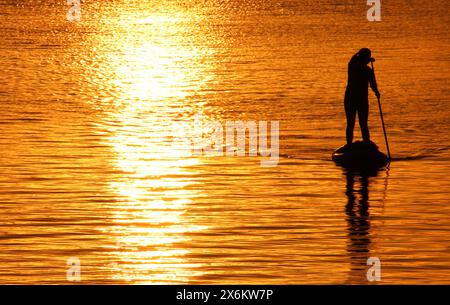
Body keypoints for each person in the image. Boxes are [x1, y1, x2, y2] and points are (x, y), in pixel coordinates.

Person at [344, 48, 380, 146]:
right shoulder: (356, 67)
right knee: (353, 123)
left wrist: (376, 92)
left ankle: (365, 143)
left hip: (359, 99)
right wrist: (376, 92)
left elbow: (373, 84)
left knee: (361, 123)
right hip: (352, 98)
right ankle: (350, 144)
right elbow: (373, 84)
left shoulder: (358, 67)